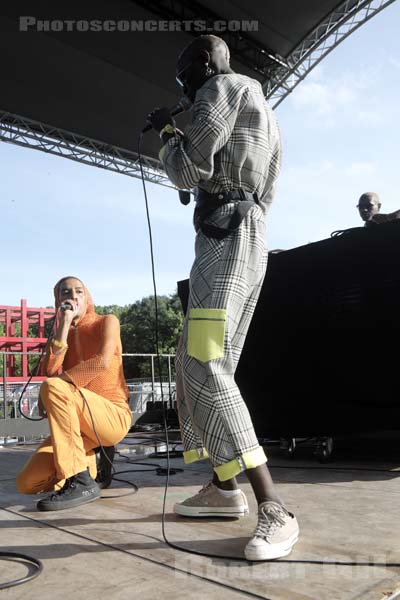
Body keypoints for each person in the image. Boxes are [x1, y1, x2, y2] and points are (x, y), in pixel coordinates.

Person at [146, 34, 299, 561]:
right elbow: (264, 185)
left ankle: (274, 507)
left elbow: (189, 168)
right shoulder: (265, 111)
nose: (184, 82)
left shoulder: (220, 87)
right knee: (207, 358)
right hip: (247, 231)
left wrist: (169, 134)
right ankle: (224, 486)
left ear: (207, 61)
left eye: (184, 72)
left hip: (225, 238)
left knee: (203, 359)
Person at [16, 276, 132, 511]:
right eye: (65, 293)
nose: (73, 296)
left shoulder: (107, 321)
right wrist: (63, 325)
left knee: (54, 386)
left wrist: (51, 386)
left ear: (87, 297)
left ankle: (79, 480)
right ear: (58, 300)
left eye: (79, 291)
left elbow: (102, 362)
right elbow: (49, 368)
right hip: (80, 427)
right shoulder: (64, 332)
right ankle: (87, 468)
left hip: (113, 415)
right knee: (27, 483)